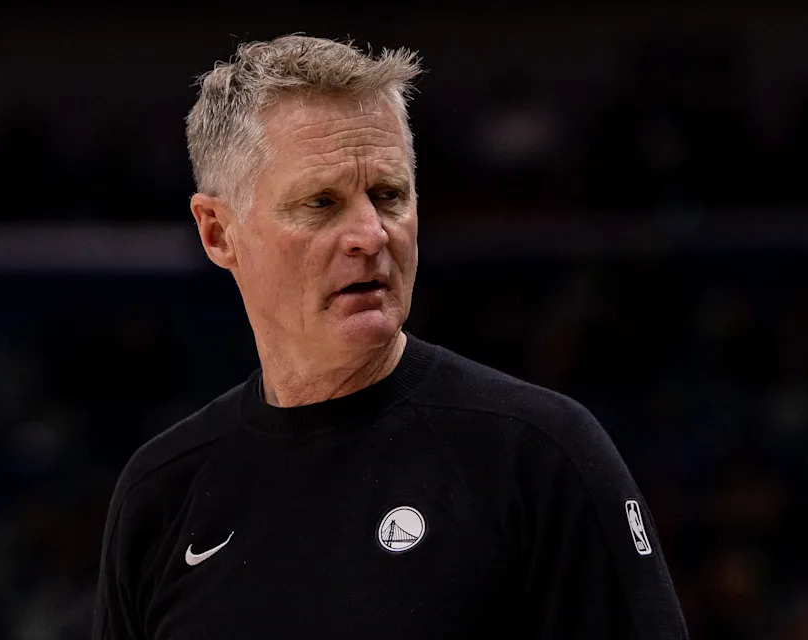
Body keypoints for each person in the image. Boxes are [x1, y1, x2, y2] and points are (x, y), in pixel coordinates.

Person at [92, 34, 689, 639]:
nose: (372, 235)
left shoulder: (541, 457)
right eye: (321, 203)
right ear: (219, 232)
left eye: (388, 195)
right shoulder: (161, 494)